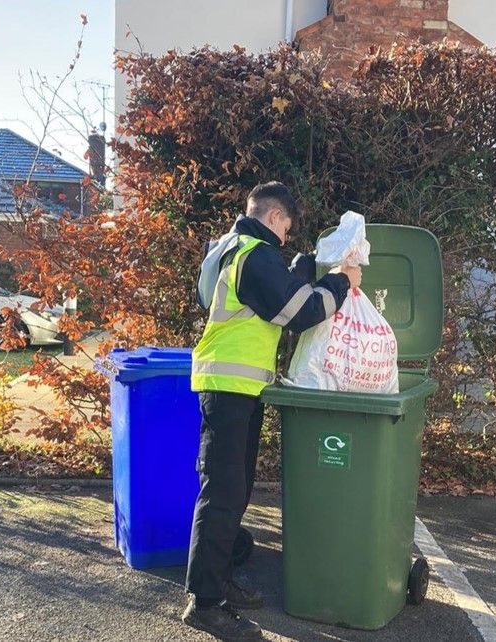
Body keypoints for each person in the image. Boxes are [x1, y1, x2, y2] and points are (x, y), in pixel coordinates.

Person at [182, 182, 362, 640]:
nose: (286, 238)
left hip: (235, 388)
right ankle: (204, 604)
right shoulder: (254, 254)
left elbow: (274, 298)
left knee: (232, 492)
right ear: (275, 218)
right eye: (286, 229)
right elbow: (297, 311)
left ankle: (218, 583)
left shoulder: (235, 252)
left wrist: (301, 268)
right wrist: (341, 282)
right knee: (222, 495)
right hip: (228, 388)